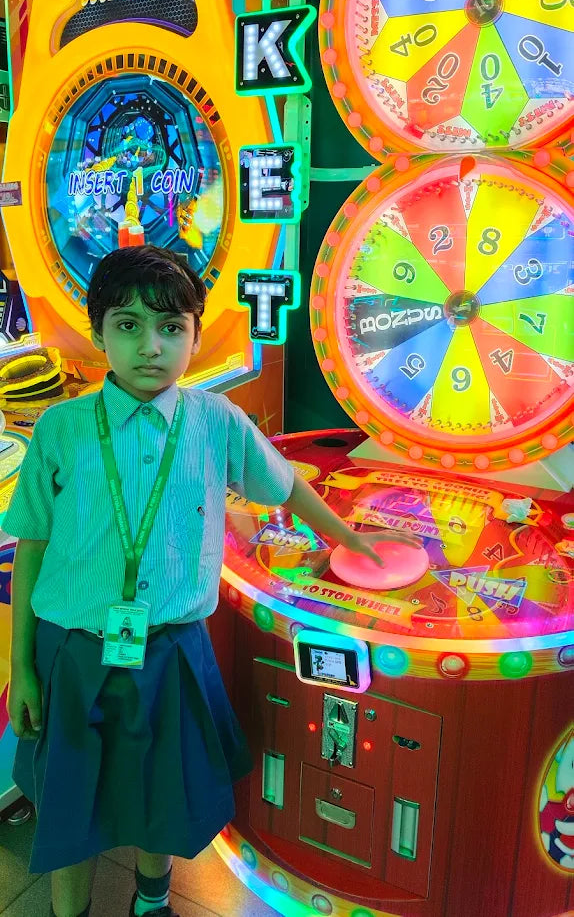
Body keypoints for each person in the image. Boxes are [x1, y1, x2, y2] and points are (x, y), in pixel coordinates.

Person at [6, 244, 421, 917]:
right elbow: (32, 545)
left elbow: (285, 488)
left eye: (171, 328)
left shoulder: (215, 422)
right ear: (97, 330)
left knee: (159, 790)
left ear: (197, 335)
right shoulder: (61, 430)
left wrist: (348, 538)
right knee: (69, 802)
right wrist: (22, 666)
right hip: (72, 652)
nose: (151, 346)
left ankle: (152, 900)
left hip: (170, 650)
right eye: (128, 325)